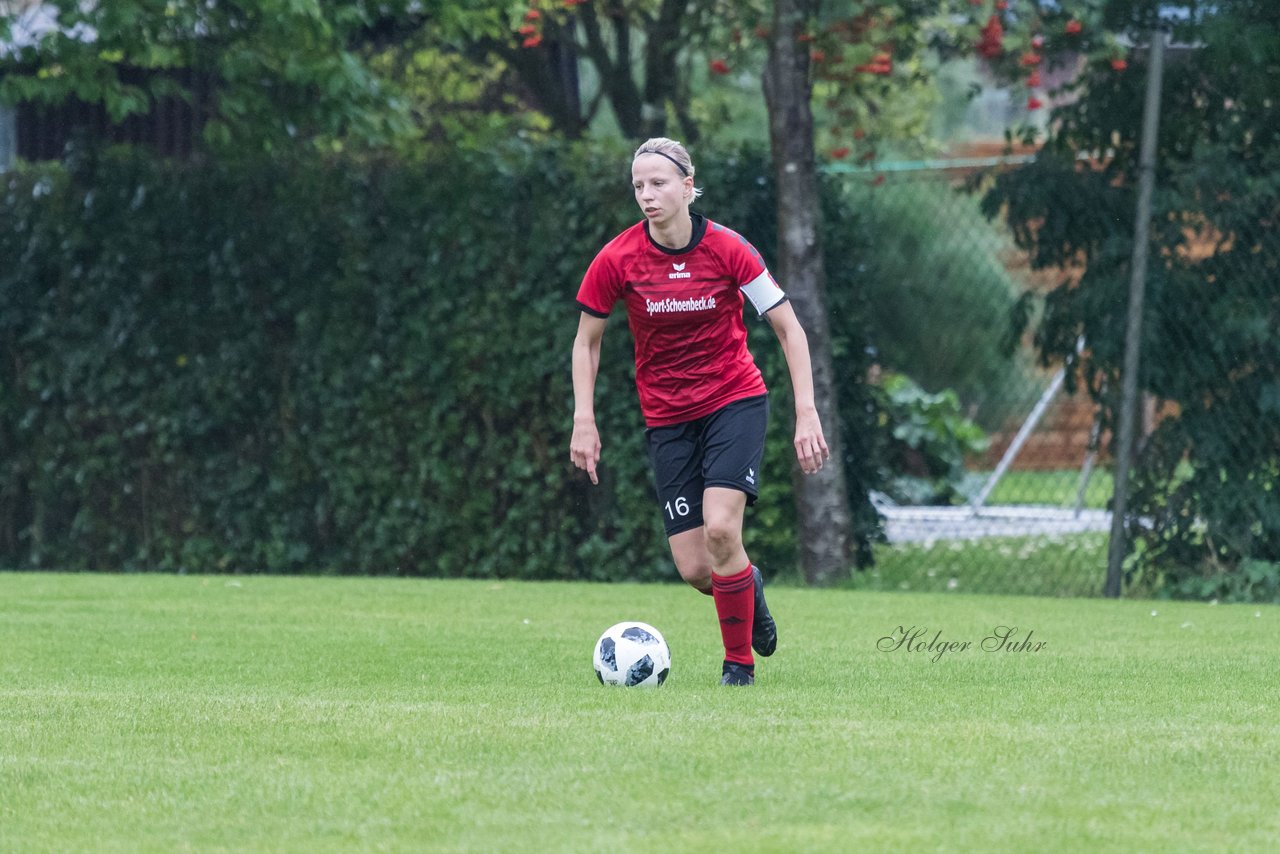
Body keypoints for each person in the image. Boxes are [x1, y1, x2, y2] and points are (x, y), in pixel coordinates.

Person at [570, 138, 830, 686]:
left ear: (688, 186)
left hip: (733, 400)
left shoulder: (730, 249)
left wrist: (805, 412)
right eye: (638, 185)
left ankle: (738, 666)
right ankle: (747, 583)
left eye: (659, 183)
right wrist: (584, 419)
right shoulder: (617, 258)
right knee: (695, 568)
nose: (647, 195)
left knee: (720, 529)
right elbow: (587, 342)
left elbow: (789, 328)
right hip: (667, 419)